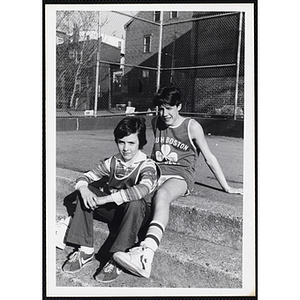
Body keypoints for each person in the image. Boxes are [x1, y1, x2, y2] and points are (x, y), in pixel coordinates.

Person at [113, 86, 243, 279]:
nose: (164, 114)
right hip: (156, 172)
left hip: (180, 176)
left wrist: (227, 187)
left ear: (179, 106)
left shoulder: (191, 126)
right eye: (161, 108)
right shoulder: (156, 122)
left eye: (169, 108)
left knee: (162, 195)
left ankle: (146, 254)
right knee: (125, 186)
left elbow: (209, 157)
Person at [60, 116, 159, 283]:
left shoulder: (147, 165)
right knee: (85, 192)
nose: (125, 148)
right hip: (114, 211)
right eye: (121, 142)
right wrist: (84, 189)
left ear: (141, 143)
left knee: (135, 203)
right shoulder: (113, 161)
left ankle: (117, 257)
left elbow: (141, 190)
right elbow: (86, 177)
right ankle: (85, 250)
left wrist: (104, 200)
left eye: (131, 143)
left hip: (136, 215)